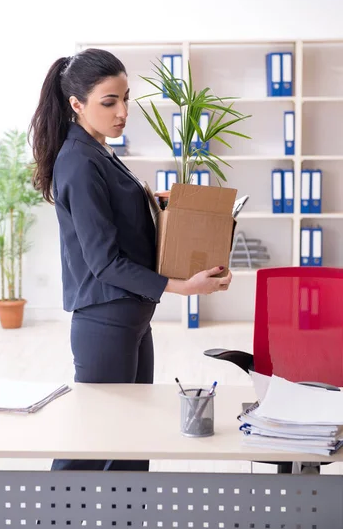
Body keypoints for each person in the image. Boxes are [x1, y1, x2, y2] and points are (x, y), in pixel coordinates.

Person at [29, 48, 232, 472]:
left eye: (126, 98)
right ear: (76, 104)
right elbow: (104, 263)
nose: (123, 111)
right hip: (106, 320)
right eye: (109, 102)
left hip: (131, 317)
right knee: (89, 445)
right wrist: (185, 288)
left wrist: (160, 206)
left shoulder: (99, 150)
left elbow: (117, 219)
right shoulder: (79, 161)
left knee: (133, 440)